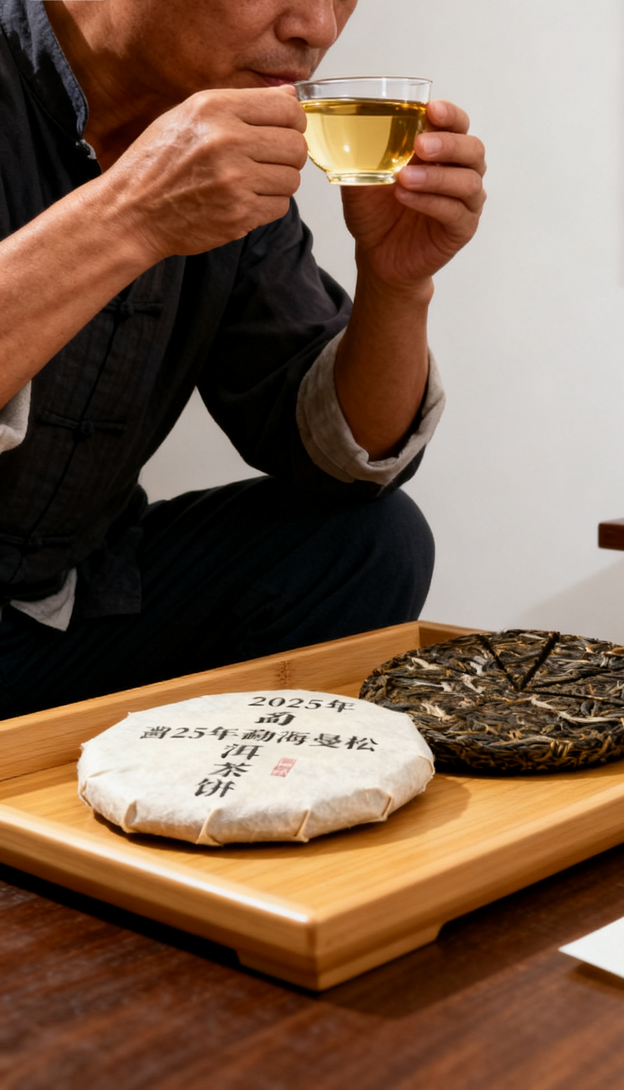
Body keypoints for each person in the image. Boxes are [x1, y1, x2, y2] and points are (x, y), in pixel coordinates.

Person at [0, 0, 487, 718]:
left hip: (68, 612)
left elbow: (338, 457)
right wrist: (129, 215)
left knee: (369, 544)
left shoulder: (223, 146)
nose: (316, 27)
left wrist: (397, 283)